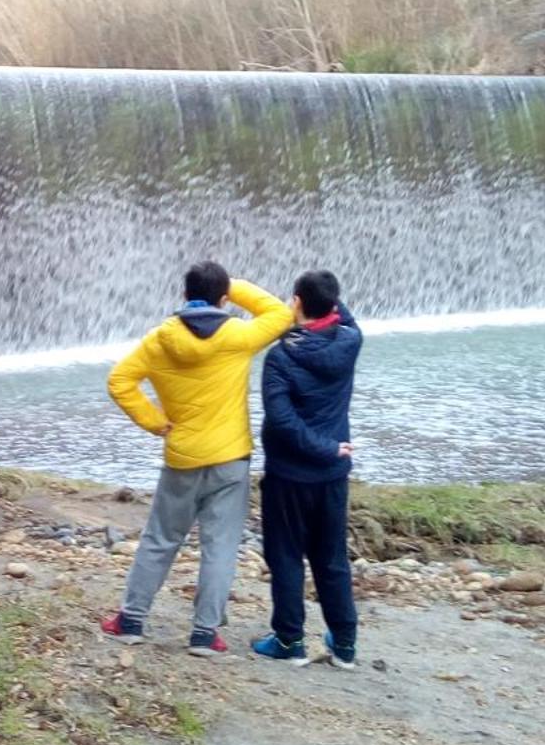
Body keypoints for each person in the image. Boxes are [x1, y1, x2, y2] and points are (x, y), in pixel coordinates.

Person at [100, 261, 294, 657]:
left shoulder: (159, 339)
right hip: (230, 457)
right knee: (220, 546)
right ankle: (205, 634)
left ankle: (131, 620)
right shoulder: (238, 335)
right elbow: (280, 313)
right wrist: (234, 286)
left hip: (182, 455)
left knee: (160, 539)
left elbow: (119, 381)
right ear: (223, 299)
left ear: (184, 296)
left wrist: (155, 422)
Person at [251, 269, 363, 669]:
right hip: (332, 475)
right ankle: (345, 644)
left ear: (296, 302)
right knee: (331, 558)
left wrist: (325, 448)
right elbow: (340, 312)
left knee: (285, 555)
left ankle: (288, 640)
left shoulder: (280, 357)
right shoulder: (350, 339)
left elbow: (282, 421)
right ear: (334, 305)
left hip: (290, 474)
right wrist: (333, 451)